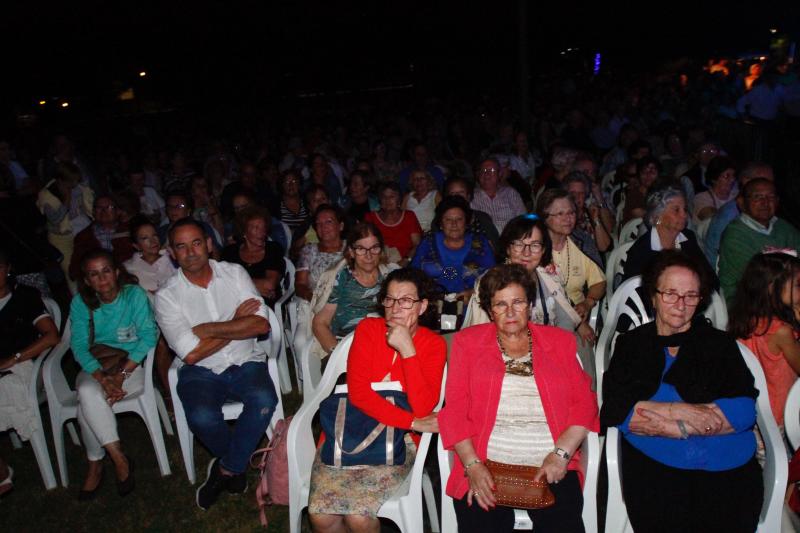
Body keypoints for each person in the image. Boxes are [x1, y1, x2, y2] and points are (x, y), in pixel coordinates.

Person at [600, 250, 763, 533]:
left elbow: (744, 410)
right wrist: (679, 410)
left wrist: (676, 428)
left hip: (728, 461)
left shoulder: (719, 344)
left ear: (701, 300)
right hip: (656, 463)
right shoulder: (632, 345)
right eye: (670, 294)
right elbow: (619, 409)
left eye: (690, 295)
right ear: (653, 296)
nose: (680, 304)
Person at [438, 264, 599, 533]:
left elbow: (585, 404)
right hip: (487, 464)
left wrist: (560, 455)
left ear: (529, 305)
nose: (510, 312)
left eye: (518, 302)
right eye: (500, 304)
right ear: (490, 311)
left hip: (551, 465)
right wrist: (473, 465)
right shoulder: (468, 344)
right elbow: (454, 409)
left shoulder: (560, 342)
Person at [308, 268, 446, 531]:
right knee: (321, 516)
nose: (395, 308)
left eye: (406, 301)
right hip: (345, 435)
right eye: (390, 299)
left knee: (358, 517)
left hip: (399, 443)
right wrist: (411, 421)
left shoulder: (433, 345)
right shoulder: (368, 330)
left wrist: (408, 350)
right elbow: (359, 394)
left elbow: (423, 407)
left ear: (422, 306)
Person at [154, 218, 278, 510]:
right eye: (181, 247)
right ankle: (235, 465)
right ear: (172, 253)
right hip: (201, 371)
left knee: (263, 399)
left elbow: (259, 325)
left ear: (209, 244)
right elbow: (192, 354)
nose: (191, 252)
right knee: (201, 417)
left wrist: (207, 329)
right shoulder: (166, 296)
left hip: (246, 358)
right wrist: (235, 322)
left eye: (196, 242)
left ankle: (225, 470)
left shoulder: (234, 274)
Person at [70, 249, 158, 500]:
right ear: (86, 280)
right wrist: (102, 378)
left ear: (117, 272)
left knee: (86, 403)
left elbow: (148, 336)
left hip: (132, 364)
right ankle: (119, 457)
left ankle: (95, 463)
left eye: (106, 271)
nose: (102, 279)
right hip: (96, 366)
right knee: (88, 391)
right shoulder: (81, 303)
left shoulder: (134, 295)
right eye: (94, 275)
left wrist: (119, 375)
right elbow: (78, 346)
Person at [463, 214, 592, 349]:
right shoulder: (491, 282)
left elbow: (564, 319)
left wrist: (557, 346)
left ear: (543, 250)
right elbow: (481, 336)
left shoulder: (549, 275)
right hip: (504, 353)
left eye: (535, 245)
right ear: (508, 248)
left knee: (583, 347)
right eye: (519, 244)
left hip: (548, 348)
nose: (526, 253)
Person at [730, 253, 800, 429]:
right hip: (781, 420)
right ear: (772, 288)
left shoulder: (745, 318)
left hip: (755, 417)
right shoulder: (781, 331)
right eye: (798, 285)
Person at [0, 248, 60, 449]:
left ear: (8, 269)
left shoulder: (24, 297)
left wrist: (16, 357)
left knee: (7, 386)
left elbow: (52, 336)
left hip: (25, 365)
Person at [311, 222, 393, 357]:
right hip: (344, 349)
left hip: (380, 348)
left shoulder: (388, 279)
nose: (369, 255)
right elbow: (320, 323)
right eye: (361, 249)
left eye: (374, 248)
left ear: (381, 250)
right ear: (351, 252)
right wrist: (339, 355)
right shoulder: (341, 278)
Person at [536, 190, 605, 344]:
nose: (568, 219)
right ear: (545, 218)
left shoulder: (581, 242)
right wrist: (577, 322)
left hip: (579, 314)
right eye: (560, 214)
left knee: (583, 347)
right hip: (543, 317)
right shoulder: (535, 246)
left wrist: (588, 303)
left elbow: (599, 281)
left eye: (571, 213)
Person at [719, 178, 800, 306]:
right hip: (750, 303)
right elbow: (761, 279)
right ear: (741, 203)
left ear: (778, 202)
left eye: (771, 197)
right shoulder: (735, 235)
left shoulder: (785, 228)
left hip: (788, 296)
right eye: (757, 197)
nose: (765, 202)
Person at [621, 185, 718, 288]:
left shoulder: (688, 238)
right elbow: (632, 291)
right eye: (676, 210)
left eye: (684, 209)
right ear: (657, 217)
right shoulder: (641, 250)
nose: (684, 215)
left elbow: (709, 277)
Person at [124, 216, 178, 392]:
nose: (153, 241)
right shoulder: (129, 268)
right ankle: (171, 395)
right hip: (149, 320)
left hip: (179, 312)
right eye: (145, 238)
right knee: (161, 342)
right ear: (136, 245)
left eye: (154, 235)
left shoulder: (173, 258)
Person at [410, 195, 494, 301]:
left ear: (467, 222)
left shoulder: (481, 243)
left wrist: (473, 293)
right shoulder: (428, 242)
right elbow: (412, 276)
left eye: (459, 219)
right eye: (448, 219)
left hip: (472, 307)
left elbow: (493, 278)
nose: (454, 224)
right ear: (440, 223)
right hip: (431, 306)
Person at [703, 162, 774, 267]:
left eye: (771, 183)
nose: (768, 187)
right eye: (762, 182)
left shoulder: (774, 219)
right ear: (746, 182)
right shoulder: (729, 217)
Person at [36, 161, 95, 287]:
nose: (75, 184)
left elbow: (88, 206)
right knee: (71, 273)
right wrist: (66, 200)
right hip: (61, 238)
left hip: (82, 230)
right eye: (71, 181)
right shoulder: (48, 195)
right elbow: (55, 220)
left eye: (76, 181)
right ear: (61, 180)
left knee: (90, 265)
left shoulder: (79, 189)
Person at [222, 206, 285, 306]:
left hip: (265, 305)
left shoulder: (273, 249)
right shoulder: (230, 252)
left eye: (263, 227)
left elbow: (270, 285)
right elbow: (223, 284)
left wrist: (238, 285)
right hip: (237, 304)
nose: (261, 232)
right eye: (255, 228)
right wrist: (257, 287)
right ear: (243, 231)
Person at [69, 195, 136, 282]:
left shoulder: (131, 230)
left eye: (109, 207)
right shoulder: (83, 237)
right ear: (93, 212)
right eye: (99, 208)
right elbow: (75, 268)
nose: (104, 211)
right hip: (99, 282)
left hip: (128, 276)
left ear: (118, 211)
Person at [295, 204, 347, 302]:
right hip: (315, 302)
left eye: (328, 222)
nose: (323, 227)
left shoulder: (352, 248)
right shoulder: (308, 251)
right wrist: (314, 298)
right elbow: (300, 285)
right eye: (318, 223)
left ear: (341, 226)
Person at [365, 182, 422, 266]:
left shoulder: (409, 216)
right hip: (379, 263)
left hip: (407, 264)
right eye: (384, 197)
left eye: (392, 197)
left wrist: (406, 260)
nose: (387, 200)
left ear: (399, 199)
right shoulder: (370, 217)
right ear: (380, 200)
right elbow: (366, 244)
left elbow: (417, 244)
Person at [470, 158, 527, 234]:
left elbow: (524, 219)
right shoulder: (471, 196)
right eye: (483, 170)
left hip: (510, 239)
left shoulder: (511, 193)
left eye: (492, 170)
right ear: (478, 175)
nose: (487, 174)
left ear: (499, 174)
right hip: (484, 242)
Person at [563, 172, 613, 254]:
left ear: (586, 195)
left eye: (581, 193)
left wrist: (596, 219)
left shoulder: (590, 215)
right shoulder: (560, 217)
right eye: (572, 193)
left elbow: (604, 247)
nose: (576, 197)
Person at [443, 176, 500, 249]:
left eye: (461, 192)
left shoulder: (482, 218)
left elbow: (495, 245)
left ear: (468, 196)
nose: (457, 196)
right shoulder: (440, 220)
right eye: (453, 193)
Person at [692, 156, 737, 224]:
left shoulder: (736, 195)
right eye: (727, 176)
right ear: (714, 179)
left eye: (733, 176)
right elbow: (710, 217)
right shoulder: (701, 198)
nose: (732, 179)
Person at [621, 155, 660, 225]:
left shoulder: (661, 191)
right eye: (644, 172)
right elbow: (640, 214)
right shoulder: (634, 194)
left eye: (652, 172)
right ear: (639, 175)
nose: (648, 176)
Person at [278, 169, 309, 234]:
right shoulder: (275, 204)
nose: (290, 184)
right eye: (287, 182)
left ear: (299, 184)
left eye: (294, 181)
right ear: (282, 185)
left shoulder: (307, 201)